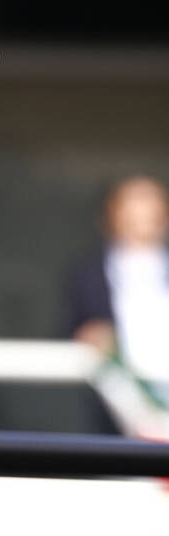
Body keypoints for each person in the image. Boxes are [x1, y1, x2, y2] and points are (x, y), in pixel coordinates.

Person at [65, 176, 169, 437]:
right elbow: (70, 330)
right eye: (133, 203)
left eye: (150, 202)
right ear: (111, 213)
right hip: (117, 413)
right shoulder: (88, 274)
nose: (142, 212)